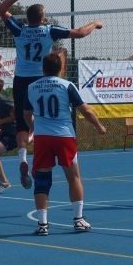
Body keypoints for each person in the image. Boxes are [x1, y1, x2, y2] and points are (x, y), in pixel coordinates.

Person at [0, 0, 103, 188]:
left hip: (21, 80)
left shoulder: (19, 29)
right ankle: (45, 152)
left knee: (22, 123)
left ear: (28, 18)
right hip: (40, 80)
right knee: (45, 119)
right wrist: (95, 23)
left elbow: (1, 9)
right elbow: (80, 33)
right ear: (43, 19)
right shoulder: (49, 31)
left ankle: (23, 159)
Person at [23, 52, 106, 235]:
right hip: (64, 136)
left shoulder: (32, 87)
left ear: (43, 69)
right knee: (74, 177)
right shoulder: (66, 85)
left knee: (42, 179)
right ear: (61, 68)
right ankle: (78, 219)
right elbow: (85, 110)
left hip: (43, 138)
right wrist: (99, 126)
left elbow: (26, 113)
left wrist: (33, 127)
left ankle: (42, 224)